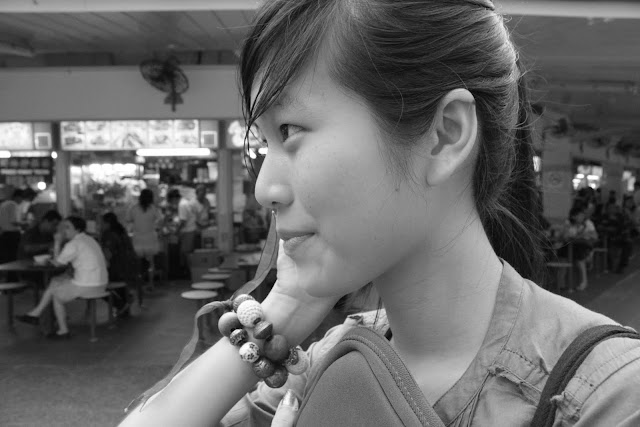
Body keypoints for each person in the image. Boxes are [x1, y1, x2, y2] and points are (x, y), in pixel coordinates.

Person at [120, 1, 640, 426]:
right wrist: (282, 312)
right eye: (263, 144)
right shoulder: (327, 358)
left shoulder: (608, 397)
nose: (264, 190)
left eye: (290, 131)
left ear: (445, 135)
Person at [16, 216, 108, 339]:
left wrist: (57, 242)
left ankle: (62, 330)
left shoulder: (74, 243)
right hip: (101, 283)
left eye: (68, 227)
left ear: (77, 229)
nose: (64, 230)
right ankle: (35, 314)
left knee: (56, 294)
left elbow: (57, 263)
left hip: (87, 285)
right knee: (55, 281)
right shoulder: (89, 239)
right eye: (63, 227)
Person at [101, 212, 138, 318]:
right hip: (130, 267)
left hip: (118, 270)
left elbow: (108, 255)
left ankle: (120, 304)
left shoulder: (109, 234)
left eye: (102, 223)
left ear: (107, 223)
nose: (100, 225)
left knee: (97, 285)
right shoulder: (122, 231)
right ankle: (125, 300)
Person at [127, 189, 162, 290]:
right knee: (151, 262)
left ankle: (140, 283)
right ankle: (151, 283)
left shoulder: (133, 208)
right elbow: (160, 220)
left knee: (138, 263)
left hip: (138, 239)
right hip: (150, 238)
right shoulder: (153, 209)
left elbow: (128, 219)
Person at [558, 206, 598, 291]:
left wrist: (584, 235)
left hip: (583, 246)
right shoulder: (568, 223)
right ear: (573, 216)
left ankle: (583, 282)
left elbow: (595, 236)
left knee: (580, 259)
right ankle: (561, 283)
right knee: (562, 257)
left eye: (582, 215)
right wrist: (567, 232)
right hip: (569, 246)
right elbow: (563, 237)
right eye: (579, 215)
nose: (582, 217)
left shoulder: (588, 223)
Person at [0, 189, 25, 267]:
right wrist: (26, 224)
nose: (22, 201)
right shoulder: (13, 204)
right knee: (13, 257)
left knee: (6, 258)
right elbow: (14, 221)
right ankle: (13, 273)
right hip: (13, 235)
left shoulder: (3, 204)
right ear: (18, 197)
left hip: (4, 234)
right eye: (22, 199)